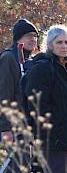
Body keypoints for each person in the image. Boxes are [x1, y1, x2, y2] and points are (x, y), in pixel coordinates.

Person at [22, 25, 67, 173]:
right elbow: (36, 106)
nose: (64, 46)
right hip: (54, 143)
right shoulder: (42, 68)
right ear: (50, 45)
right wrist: (52, 134)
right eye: (59, 42)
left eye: (66, 42)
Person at [0, 19, 39, 148]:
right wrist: (5, 128)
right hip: (11, 128)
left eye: (35, 36)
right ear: (18, 39)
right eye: (28, 36)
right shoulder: (8, 58)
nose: (33, 39)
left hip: (26, 127)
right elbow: (4, 95)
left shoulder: (30, 61)